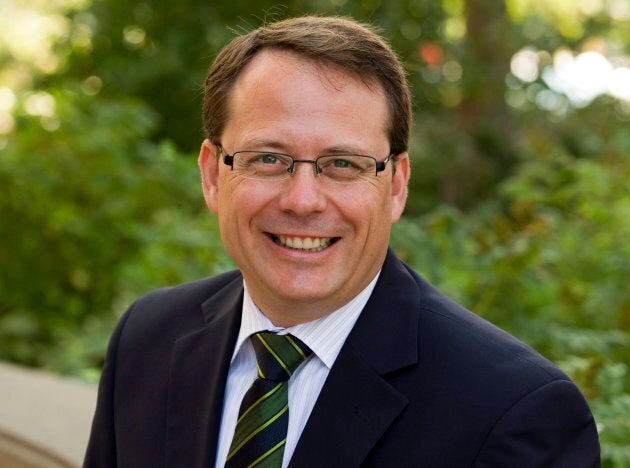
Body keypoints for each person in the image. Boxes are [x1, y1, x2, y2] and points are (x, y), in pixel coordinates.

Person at [84, 15, 600, 467]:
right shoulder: (147, 340)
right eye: (268, 158)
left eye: (342, 164)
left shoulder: (514, 411)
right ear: (213, 175)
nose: (303, 200)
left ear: (395, 186)